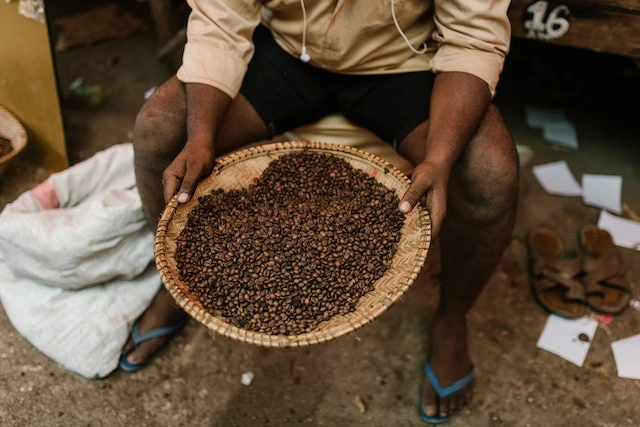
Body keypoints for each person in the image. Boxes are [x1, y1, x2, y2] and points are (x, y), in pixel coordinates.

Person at [122, 0, 519, 423]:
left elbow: (472, 37)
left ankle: (452, 319)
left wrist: (440, 159)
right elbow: (221, 20)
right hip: (288, 54)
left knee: (490, 172)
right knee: (159, 126)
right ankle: (178, 280)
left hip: (404, 64)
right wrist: (201, 138)